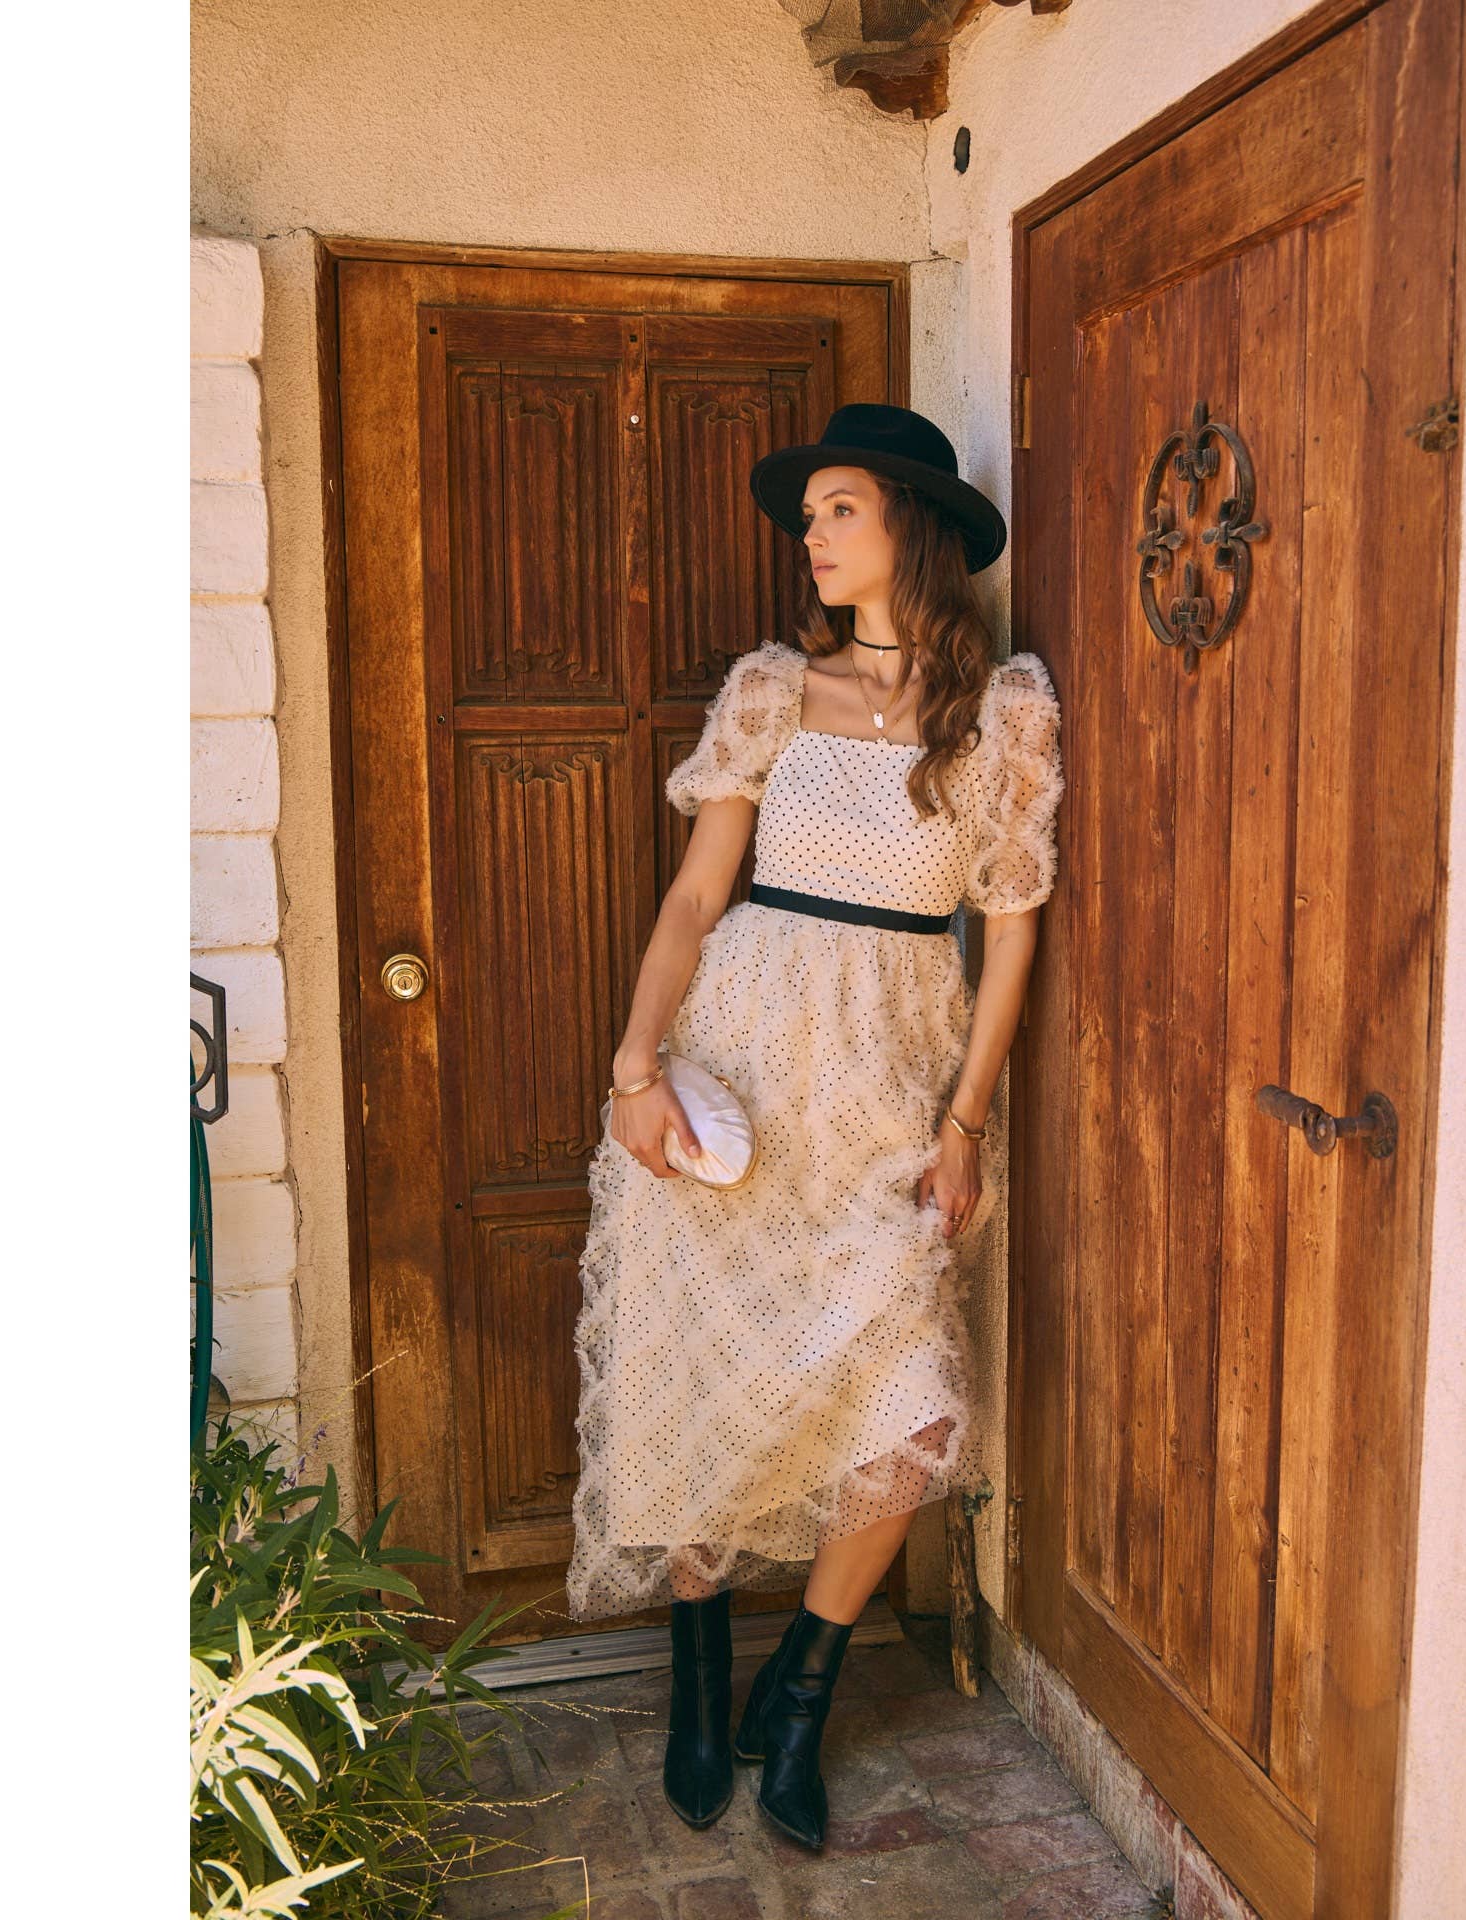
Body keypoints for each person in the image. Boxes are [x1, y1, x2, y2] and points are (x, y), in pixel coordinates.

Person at [565, 402, 1064, 1852]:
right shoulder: (773, 691)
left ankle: (803, 1691)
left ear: (909, 523)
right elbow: (692, 900)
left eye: (838, 507)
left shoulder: (1004, 711)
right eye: (812, 515)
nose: (812, 532)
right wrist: (637, 1062)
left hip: (890, 1095)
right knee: (700, 1368)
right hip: (738, 1078)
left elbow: (1012, 939)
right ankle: (702, 1684)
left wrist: (965, 1121)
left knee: (906, 1410)